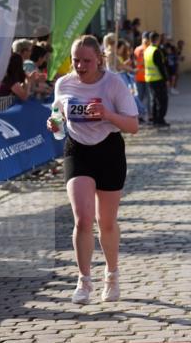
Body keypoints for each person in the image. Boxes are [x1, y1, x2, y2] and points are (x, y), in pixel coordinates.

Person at [49, 34, 139, 304]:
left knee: (106, 222)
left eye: (86, 60)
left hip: (109, 150)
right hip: (77, 149)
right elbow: (56, 113)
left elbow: (133, 125)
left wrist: (107, 115)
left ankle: (111, 275)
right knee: (82, 219)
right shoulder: (64, 83)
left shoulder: (113, 83)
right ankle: (84, 280)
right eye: (75, 60)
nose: (80, 66)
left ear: (99, 59)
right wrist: (53, 123)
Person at [144, 31, 170, 127]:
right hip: (158, 79)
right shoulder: (156, 51)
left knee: (154, 100)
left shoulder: (147, 50)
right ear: (157, 39)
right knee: (162, 100)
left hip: (149, 79)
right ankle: (160, 119)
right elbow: (161, 67)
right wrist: (166, 79)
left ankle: (154, 119)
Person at [133, 31, 150, 122]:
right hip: (147, 77)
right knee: (149, 98)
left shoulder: (137, 49)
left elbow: (134, 63)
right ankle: (150, 116)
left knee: (139, 98)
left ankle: (139, 116)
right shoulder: (150, 49)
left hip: (139, 76)